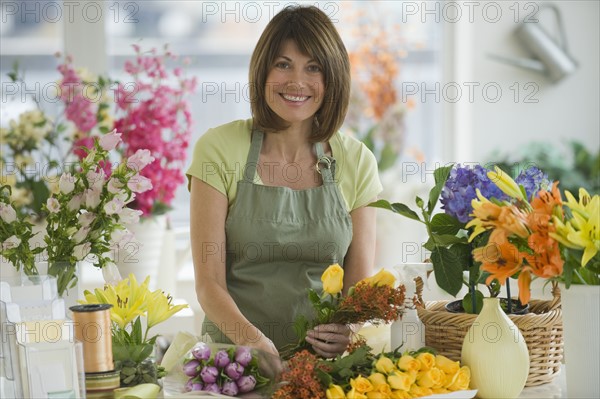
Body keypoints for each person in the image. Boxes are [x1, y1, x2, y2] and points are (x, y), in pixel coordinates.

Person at [186, 5, 382, 359]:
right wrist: (256, 345)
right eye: (283, 64)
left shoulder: (356, 161)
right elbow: (209, 284)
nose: (296, 82)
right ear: (262, 70)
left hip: (322, 366)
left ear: (333, 78)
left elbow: (358, 286)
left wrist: (349, 329)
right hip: (234, 362)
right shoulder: (218, 149)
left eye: (313, 67)